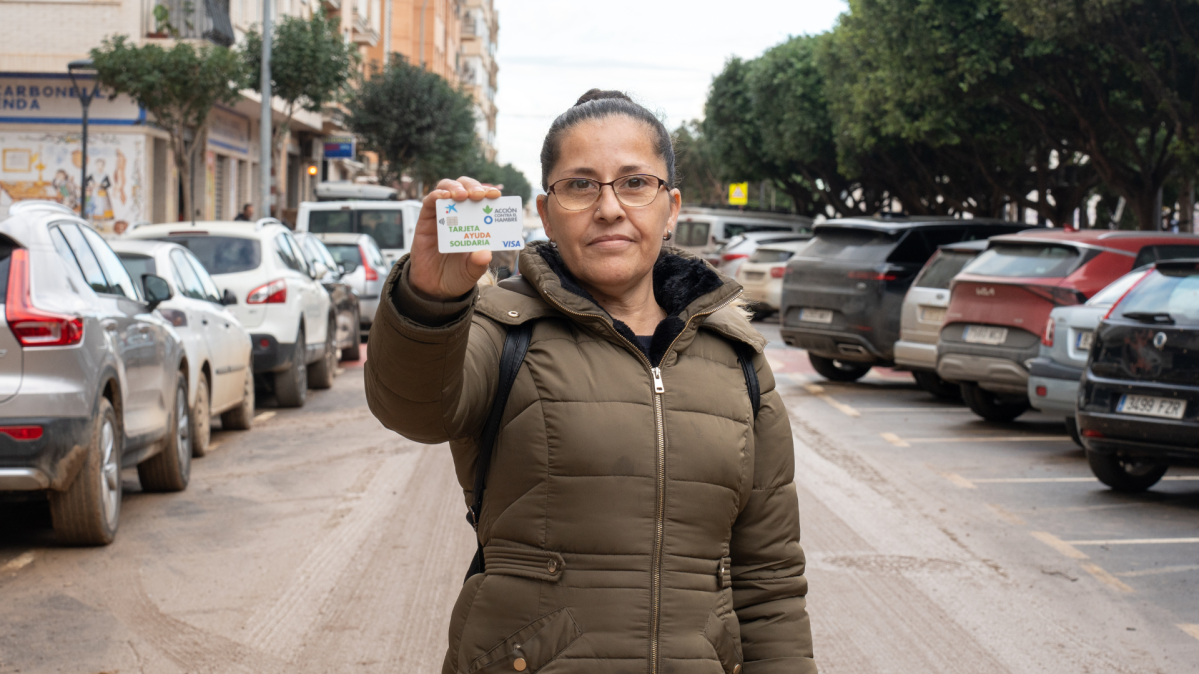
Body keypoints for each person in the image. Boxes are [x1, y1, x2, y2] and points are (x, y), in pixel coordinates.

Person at [365, 89, 815, 674]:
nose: (609, 208)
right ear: (546, 213)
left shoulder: (738, 359)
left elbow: (770, 577)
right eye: (580, 185)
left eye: (635, 182)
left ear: (670, 206)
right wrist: (429, 298)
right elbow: (415, 407)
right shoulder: (500, 329)